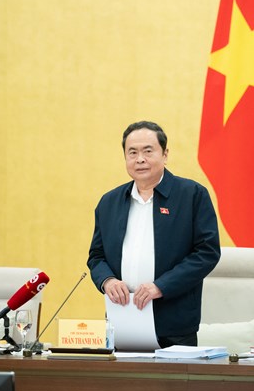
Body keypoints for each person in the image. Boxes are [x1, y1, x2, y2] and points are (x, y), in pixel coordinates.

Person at [87, 121, 221, 348]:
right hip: (123, 320)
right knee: (124, 384)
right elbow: (96, 256)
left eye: (148, 151)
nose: (140, 159)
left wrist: (161, 286)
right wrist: (107, 281)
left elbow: (207, 252)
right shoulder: (109, 202)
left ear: (165, 154)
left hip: (174, 324)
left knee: (174, 384)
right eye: (132, 153)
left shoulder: (192, 195)